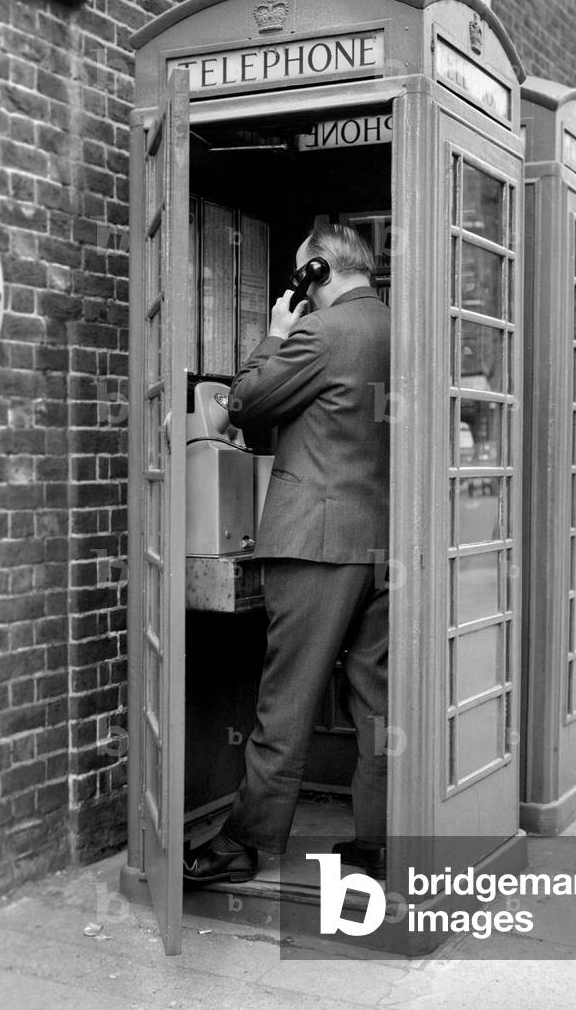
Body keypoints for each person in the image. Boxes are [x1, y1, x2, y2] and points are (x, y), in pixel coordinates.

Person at [183, 224, 391, 885]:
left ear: (316, 272)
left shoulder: (320, 332)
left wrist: (274, 329)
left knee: (285, 701)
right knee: (378, 706)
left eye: (302, 272)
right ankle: (379, 841)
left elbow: (242, 404)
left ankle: (246, 845)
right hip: (383, 542)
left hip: (313, 544)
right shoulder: (398, 329)